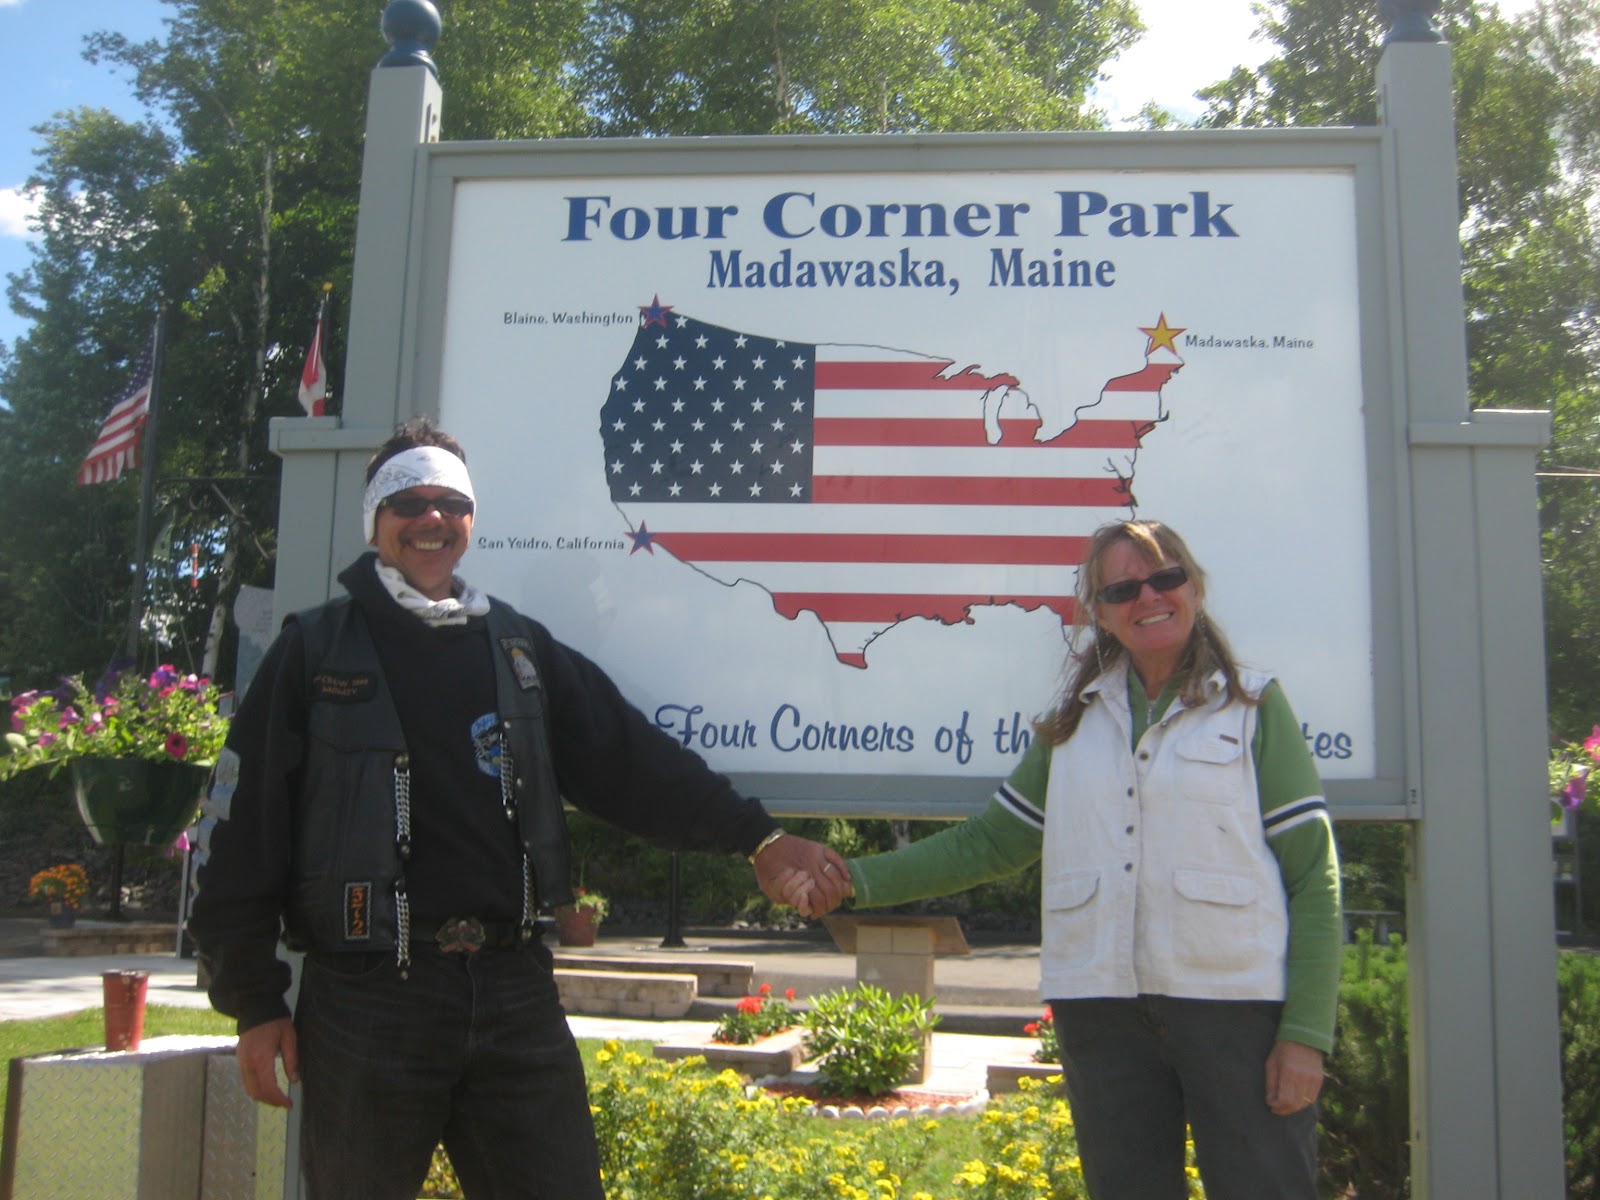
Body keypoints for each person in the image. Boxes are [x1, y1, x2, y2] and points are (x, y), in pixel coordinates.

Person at [188, 416, 849, 1200]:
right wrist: (255, 1001)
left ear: (469, 521)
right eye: (408, 502)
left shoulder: (519, 650)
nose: (431, 519)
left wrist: (758, 837)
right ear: (376, 521)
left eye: (449, 502)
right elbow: (240, 832)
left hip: (514, 992)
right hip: (369, 1002)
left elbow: (630, 761)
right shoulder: (314, 653)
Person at [782, 519, 1341, 1200]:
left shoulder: (1253, 706)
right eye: (1124, 588)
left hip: (1237, 1013)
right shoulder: (1072, 723)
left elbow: (1315, 881)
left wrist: (1305, 1035)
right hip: (1100, 1013)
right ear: (1099, 614)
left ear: (1194, 587)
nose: (1149, 597)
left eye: (1165, 578)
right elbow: (989, 843)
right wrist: (855, 883)